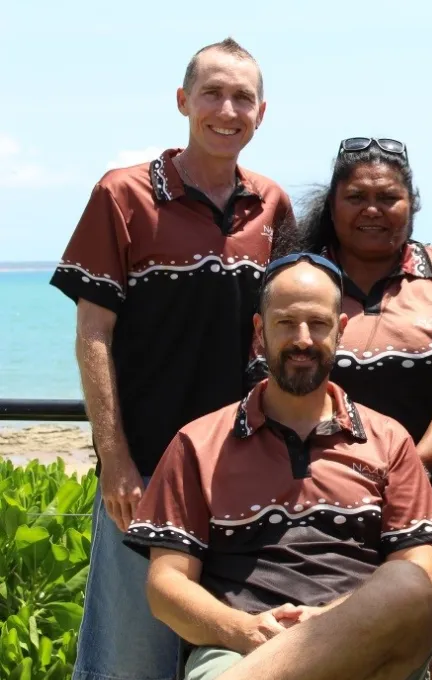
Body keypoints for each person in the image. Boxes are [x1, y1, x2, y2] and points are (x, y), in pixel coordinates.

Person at [49, 37, 294, 680]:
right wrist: (117, 460)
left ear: (262, 113)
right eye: (212, 92)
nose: (227, 109)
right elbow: (93, 334)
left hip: (242, 472)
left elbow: (284, 334)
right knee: (129, 657)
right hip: (149, 469)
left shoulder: (272, 205)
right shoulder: (123, 194)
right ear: (183, 101)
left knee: (227, 647)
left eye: (243, 97)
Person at [123, 254, 432, 680]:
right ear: (260, 333)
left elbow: (424, 568)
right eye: (286, 323)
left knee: (407, 584)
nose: (303, 339)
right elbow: (165, 587)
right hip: (239, 650)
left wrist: (327, 625)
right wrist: (246, 630)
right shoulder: (197, 443)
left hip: (367, 646)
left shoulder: (388, 440)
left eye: (318, 323)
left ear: (341, 331)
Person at [273, 136, 432, 673]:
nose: (372, 210)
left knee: (423, 635)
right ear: (333, 206)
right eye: (356, 197)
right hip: (317, 489)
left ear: (412, 204)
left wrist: (414, 466)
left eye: (388, 197)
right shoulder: (303, 275)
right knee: (320, 625)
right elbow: (269, 370)